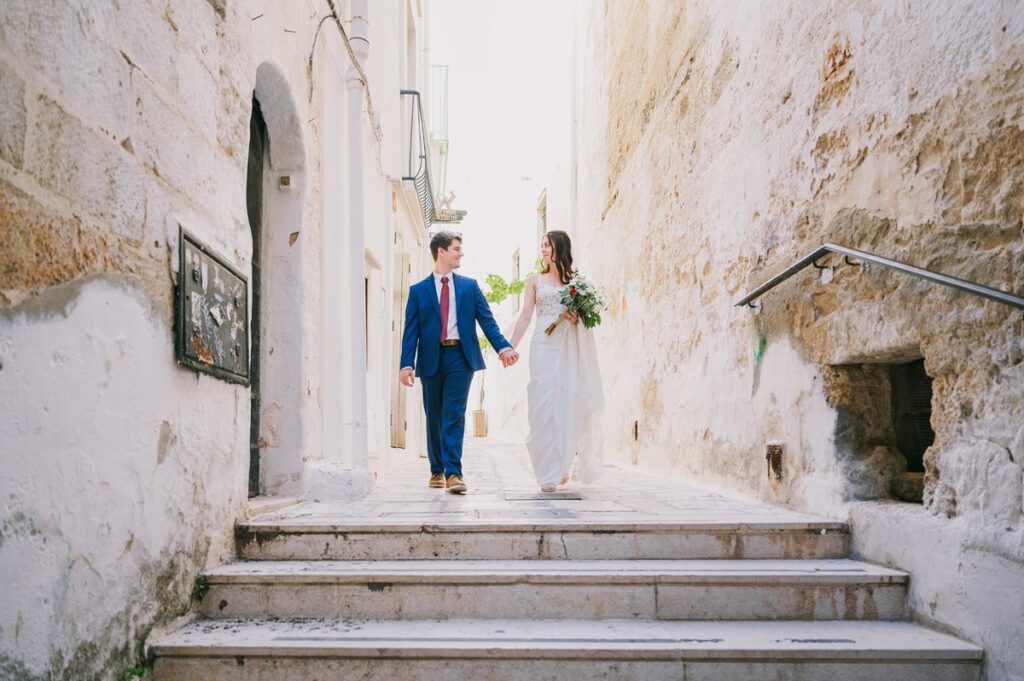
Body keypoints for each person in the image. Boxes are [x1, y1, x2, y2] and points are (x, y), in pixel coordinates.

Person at [399, 231, 519, 494]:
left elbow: (487, 320)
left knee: (453, 414)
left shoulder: (469, 287)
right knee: (434, 416)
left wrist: (503, 347)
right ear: (441, 251)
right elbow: (411, 330)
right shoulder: (418, 291)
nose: (460, 253)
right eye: (456, 249)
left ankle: (454, 473)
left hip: (460, 357)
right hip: (431, 358)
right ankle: (437, 470)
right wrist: (406, 363)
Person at [508, 230, 605, 492]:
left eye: (547, 246)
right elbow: (526, 316)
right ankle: (545, 470)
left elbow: (586, 320)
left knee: (567, 403)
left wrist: (577, 319)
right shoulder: (534, 280)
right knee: (542, 404)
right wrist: (509, 347)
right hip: (542, 346)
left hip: (567, 347)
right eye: (541, 246)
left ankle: (560, 467)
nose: (543, 250)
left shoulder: (575, 282)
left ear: (559, 248)